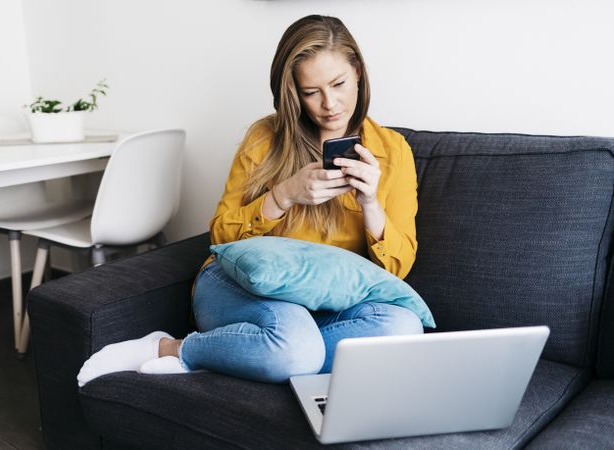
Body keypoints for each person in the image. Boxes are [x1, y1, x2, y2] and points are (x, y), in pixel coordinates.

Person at [77, 14, 423, 387]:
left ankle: (255, 354)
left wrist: (370, 202)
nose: (329, 104)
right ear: (293, 92)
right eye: (311, 92)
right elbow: (221, 238)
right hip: (239, 286)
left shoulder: (393, 151)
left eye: (339, 83)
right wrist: (285, 194)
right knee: (295, 347)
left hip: (327, 304)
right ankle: (169, 348)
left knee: (403, 327)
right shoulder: (265, 138)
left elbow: (395, 274)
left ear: (358, 71)